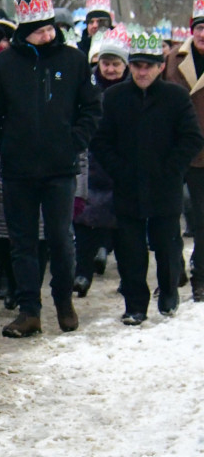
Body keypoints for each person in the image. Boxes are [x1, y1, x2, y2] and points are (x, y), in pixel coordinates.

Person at [0, 0, 101, 338]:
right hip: (18, 168)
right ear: (25, 32)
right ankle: (29, 309)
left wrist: (74, 140)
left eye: (51, 29)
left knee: (62, 238)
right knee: (22, 242)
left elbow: (92, 108)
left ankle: (63, 301)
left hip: (60, 168)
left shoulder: (74, 60)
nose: (47, 36)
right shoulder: (4, 65)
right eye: (40, 31)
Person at [93, 32, 204, 324]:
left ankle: (168, 291)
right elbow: (101, 141)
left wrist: (172, 170)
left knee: (167, 245)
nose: (143, 72)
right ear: (130, 66)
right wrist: (119, 170)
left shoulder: (175, 97)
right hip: (127, 186)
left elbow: (191, 139)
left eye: (149, 66)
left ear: (159, 68)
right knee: (130, 249)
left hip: (164, 186)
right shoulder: (114, 98)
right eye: (137, 65)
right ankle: (135, 304)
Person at [73, 27, 130, 297]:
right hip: (93, 161)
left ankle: (128, 277)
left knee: (124, 227)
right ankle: (82, 273)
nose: (110, 68)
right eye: (106, 63)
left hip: (124, 162)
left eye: (116, 64)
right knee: (87, 223)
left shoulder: (132, 89)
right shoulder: (88, 87)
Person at [164, 0, 204, 302]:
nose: (203, 34)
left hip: (203, 152)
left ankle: (201, 275)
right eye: (200, 28)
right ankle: (173, 268)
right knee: (167, 214)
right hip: (172, 148)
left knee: (201, 219)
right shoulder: (174, 59)